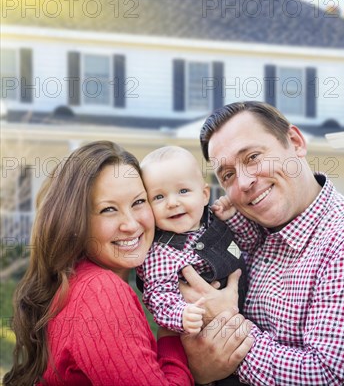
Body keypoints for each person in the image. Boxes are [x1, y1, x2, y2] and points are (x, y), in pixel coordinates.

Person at [180, 101, 344, 385]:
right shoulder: (248, 234)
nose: (243, 182)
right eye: (227, 175)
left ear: (295, 142)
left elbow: (334, 379)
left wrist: (226, 330)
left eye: (253, 157)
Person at [3, 141, 252, 385]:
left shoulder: (78, 281)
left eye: (138, 202)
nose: (131, 224)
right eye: (108, 209)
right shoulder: (101, 292)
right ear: (75, 221)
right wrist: (182, 351)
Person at [137, 146, 246, 335]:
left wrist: (231, 218)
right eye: (159, 197)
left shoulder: (214, 220)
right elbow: (159, 297)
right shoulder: (161, 252)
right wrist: (182, 314)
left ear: (204, 195)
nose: (172, 203)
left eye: (183, 190)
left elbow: (245, 244)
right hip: (208, 330)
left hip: (249, 311)